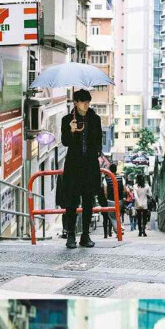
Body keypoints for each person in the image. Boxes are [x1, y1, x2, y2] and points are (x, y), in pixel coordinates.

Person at [57, 89, 103, 252]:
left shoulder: (95, 119)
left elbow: (99, 143)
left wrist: (89, 138)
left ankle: (85, 234)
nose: (86, 105)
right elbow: (65, 142)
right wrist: (71, 130)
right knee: (72, 202)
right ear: (75, 102)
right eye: (83, 102)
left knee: (88, 201)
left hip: (90, 166)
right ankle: (70, 235)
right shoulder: (67, 119)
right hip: (73, 166)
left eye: (88, 102)